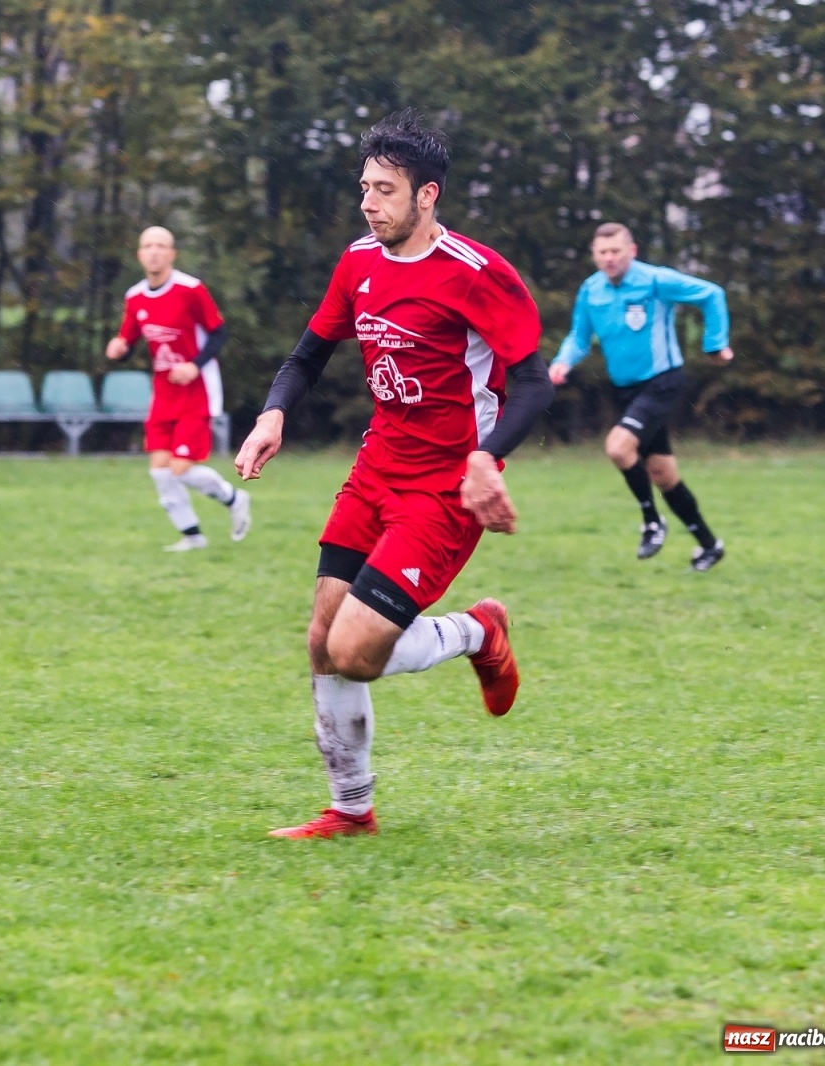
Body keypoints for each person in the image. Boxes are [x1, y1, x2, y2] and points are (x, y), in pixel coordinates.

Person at [233, 110, 553, 839]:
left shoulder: (478, 275)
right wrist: (273, 415)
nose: (370, 203)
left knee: (354, 652)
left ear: (427, 195)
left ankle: (478, 631)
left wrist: (484, 457)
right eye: (365, 188)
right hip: (376, 469)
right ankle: (351, 813)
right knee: (321, 640)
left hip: (443, 491)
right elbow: (306, 355)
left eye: (385, 190)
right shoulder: (359, 262)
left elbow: (535, 384)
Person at [550, 222, 731, 570]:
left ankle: (652, 522)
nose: (609, 258)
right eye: (602, 252)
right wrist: (562, 362)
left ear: (631, 251)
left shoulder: (655, 280)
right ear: (594, 255)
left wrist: (715, 343)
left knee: (618, 447)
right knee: (663, 474)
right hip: (626, 390)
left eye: (616, 251)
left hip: (663, 381)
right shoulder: (591, 291)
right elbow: (579, 336)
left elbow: (712, 294)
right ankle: (710, 545)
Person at [107, 226, 251, 551]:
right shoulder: (135, 296)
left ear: (172, 254)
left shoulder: (190, 289)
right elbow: (128, 341)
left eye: (161, 246)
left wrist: (194, 365)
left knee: (181, 469)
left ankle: (234, 498)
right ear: (140, 255)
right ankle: (192, 536)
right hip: (163, 394)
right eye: (148, 246)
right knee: (160, 472)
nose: (154, 251)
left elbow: (218, 333)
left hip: (197, 392)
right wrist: (118, 348)